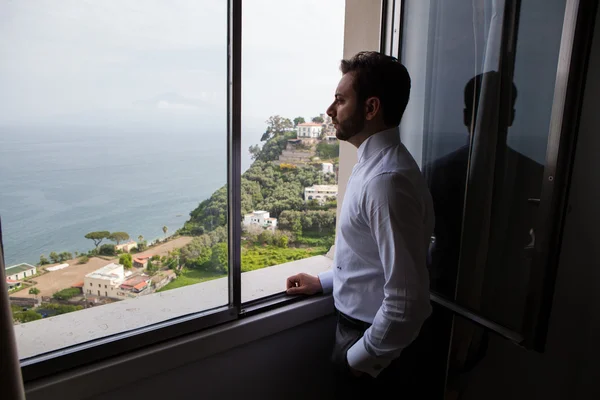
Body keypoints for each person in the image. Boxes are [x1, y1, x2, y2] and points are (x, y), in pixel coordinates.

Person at [285, 51, 435, 398]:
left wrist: (359, 359)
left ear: (370, 108)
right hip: (360, 334)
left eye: (340, 100)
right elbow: (372, 260)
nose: (330, 110)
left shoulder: (386, 181)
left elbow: (408, 301)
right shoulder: (374, 165)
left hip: (373, 348)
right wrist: (323, 282)